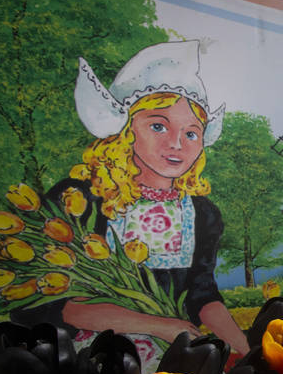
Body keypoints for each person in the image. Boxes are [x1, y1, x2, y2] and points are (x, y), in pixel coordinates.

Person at [13, 41, 251, 357]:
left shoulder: (202, 214)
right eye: (158, 126)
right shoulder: (79, 199)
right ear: (125, 130)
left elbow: (202, 296)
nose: (177, 144)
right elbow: (59, 303)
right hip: (96, 355)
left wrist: (246, 352)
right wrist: (157, 326)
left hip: (174, 347)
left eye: (191, 133)